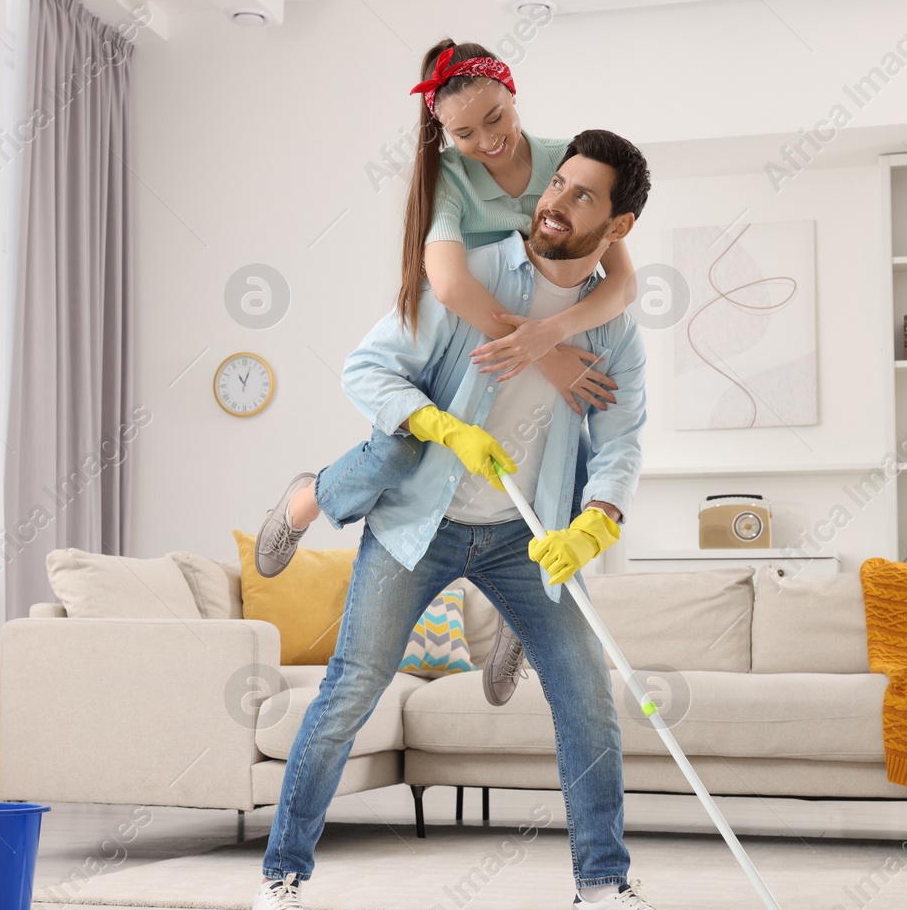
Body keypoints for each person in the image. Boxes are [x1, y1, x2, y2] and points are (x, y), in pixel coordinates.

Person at [251, 130, 700, 910]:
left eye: (583, 195)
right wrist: (445, 427)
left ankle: (601, 889)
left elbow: (624, 444)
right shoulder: (477, 274)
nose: (556, 202)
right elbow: (367, 369)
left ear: (619, 225)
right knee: (351, 691)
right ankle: (281, 880)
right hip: (419, 523)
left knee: (589, 699)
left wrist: (596, 525)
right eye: (556, 184)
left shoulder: (615, 333)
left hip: (523, 543)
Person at [252, 38, 639, 707]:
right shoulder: (448, 179)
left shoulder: (565, 164)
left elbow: (622, 282)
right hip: (460, 342)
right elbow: (452, 285)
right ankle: (308, 498)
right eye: (463, 132)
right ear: (441, 132)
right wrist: (544, 355)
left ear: (513, 96)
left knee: (568, 461)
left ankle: (528, 614)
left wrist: (556, 331)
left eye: (496, 118)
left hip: (525, 343)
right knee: (400, 446)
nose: (486, 140)